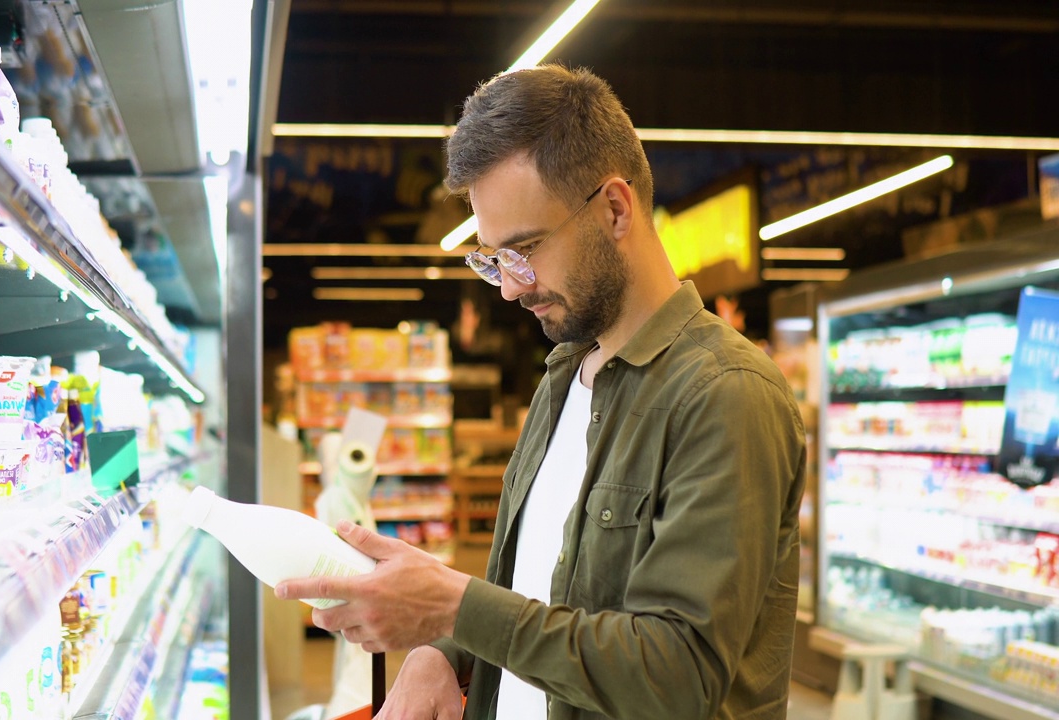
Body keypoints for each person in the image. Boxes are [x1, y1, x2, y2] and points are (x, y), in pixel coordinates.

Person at [276, 64, 807, 720]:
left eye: (524, 248)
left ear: (615, 209)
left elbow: (678, 675)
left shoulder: (727, 396)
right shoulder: (562, 379)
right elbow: (534, 594)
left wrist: (452, 604)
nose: (508, 286)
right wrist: (446, 650)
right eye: (494, 258)